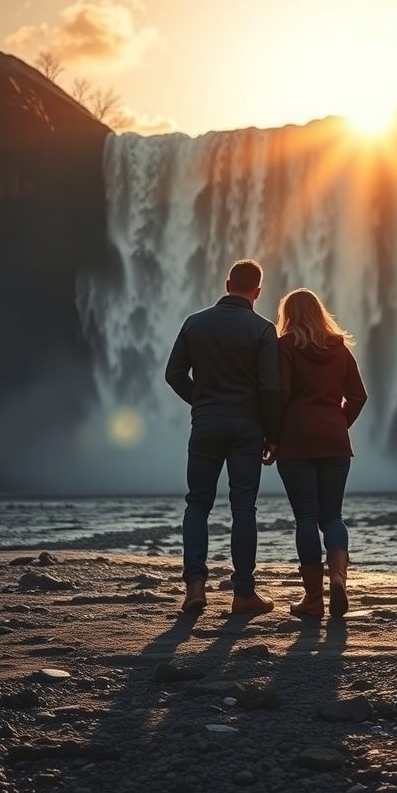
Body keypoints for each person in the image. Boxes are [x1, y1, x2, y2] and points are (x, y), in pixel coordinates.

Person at [165, 259, 281, 615]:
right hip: (247, 427)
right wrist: (272, 433)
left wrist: (201, 401)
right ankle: (243, 593)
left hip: (205, 424)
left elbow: (174, 374)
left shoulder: (194, 322)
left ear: (228, 283)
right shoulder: (263, 330)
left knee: (197, 504)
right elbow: (270, 387)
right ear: (257, 292)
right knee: (243, 507)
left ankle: (195, 588)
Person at [272, 288, 367, 618]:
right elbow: (358, 396)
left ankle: (314, 599)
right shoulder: (340, 348)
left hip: (296, 440)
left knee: (306, 519)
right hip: (334, 440)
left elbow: (280, 395)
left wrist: (272, 437)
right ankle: (338, 578)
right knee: (332, 516)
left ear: (289, 315)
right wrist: (339, 423)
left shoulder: (284, 347)